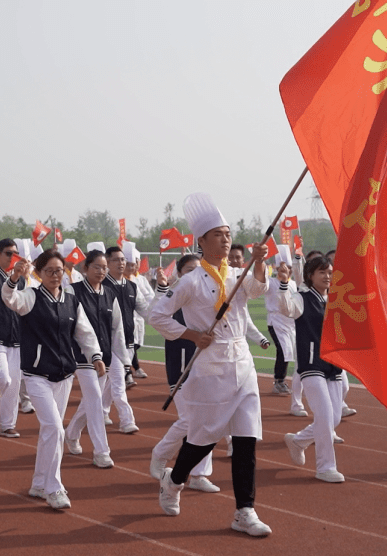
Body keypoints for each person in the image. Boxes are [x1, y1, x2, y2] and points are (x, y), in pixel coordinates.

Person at [148, 192, 272, 537]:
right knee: (203, 438)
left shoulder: (237, 273)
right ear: (201, 241)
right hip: (210, 367)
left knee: (247, 439)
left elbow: (259, 289)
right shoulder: (189, 281)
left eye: (228, 232)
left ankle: (244, 510)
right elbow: (157, 315)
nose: (225, 238)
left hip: (242, 365)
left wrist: (259, 261)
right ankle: (174, 480)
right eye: (218, 233)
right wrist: (191, 335)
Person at [3, 249, 105, 510]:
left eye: (59, 270)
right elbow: (10, 299)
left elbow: (85, 332)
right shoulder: (31, 297)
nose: (55, 275)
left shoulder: (71, 301)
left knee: (51, 431)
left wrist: (95, 356)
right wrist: (14, 278)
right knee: (55, 429)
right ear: (38, 273)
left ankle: (39, 482)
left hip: (64, 376)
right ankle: (54, 487)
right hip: (37, 376)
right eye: (49, 270)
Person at [148, 253, 220, 492]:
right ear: (179, 273)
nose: (195, 274)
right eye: (189, 270)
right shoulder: (175, 295)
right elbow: (155, 315)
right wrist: (161, 287)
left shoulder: (207, 298)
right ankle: (161, 453)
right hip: (182, 368)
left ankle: (199, 475)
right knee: (190, 420)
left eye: (199, 270)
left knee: (210, 420)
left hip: (208, 366)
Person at [277, 257, 346, 483]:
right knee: (325, 415)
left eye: (330, 272)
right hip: (311, 363)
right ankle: (326, 466)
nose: (327, 276)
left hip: (334, 364)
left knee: (334, 418)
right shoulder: (302, 298)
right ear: (310, 275)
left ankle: (298, 440)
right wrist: (284, 283)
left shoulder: (337, 299)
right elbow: (286, 308)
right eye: (321, 272)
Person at [63, 250, 127, 468]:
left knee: (92, 400)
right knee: (95, 401)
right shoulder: (72, 291)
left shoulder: (110, 294)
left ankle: (71, 433)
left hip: (105, 357)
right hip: (81, 356)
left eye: (104, 268)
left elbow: (117, 329)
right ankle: (101, 451)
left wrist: (124, 359)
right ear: (85, 269)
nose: (101, 271)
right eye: (97, 267)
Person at [102, 246, 150, 434]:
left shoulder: (132, 287)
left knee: (113, 380)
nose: (121, 263)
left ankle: (102, 411)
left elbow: (146, 311)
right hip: (109, 342)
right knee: (118, 381)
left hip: (128, 340)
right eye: (116, 260)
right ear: (107, 262)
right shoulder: (102, 285)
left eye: (123, 259)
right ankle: (126, 420)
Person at [0, 239, 25, 438]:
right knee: (3, 379)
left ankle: (8, 423)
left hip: (17, 338)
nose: (12, 257)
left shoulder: (23, 280)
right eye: (8, 253)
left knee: (14, 385)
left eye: (15, 253)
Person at [264, 257, 306, 416]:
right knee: (283, 350)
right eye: (281, 268)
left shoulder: (293, 283)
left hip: (290, 322)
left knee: (292, 352)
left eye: (287, 268)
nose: (284, 271)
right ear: (276, 269)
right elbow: (261, 281)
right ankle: (279, 381)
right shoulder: (271, 283)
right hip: (275, 321)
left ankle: (284, 380)